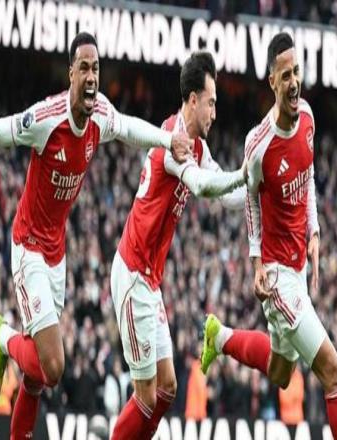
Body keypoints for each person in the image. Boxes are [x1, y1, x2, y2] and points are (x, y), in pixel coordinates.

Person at [0, 32, 192, 440]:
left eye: (97, 69)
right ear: (71, 74)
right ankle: (1, 336)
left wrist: (169, 140)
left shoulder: (101, 115)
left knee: (36, 378)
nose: (92, 76)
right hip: (28, 248)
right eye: (84, 68)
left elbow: (129, 128)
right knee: (54, 367)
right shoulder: (48, 118)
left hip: (56, 256)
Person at [200, 33, 337, 439]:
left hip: (298, 265)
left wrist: (314, 230)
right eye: (285, 75)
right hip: (277, 277)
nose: (293, 82)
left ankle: (221, 337)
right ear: (272, 81)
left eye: (297, 73)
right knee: (331, 370)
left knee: (280, 372)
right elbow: (252, 202)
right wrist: (256, 263)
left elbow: (308, 175)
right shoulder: (258, 144)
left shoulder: (307, 117)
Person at [110, 51, 247, 439]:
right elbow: (203, 186)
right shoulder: (173, 140)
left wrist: (258, 183)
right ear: (193, 100)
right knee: (146, 396)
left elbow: (228, 196)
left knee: (167, 387)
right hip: (132, 274)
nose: (214, 113)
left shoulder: (199, 148)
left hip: (150, 281)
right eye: (211, 103)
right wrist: (246, 174)